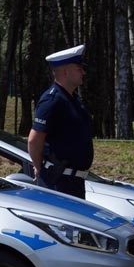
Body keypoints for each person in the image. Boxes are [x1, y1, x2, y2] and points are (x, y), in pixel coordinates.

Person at [28, 44, 92, 199]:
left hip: (74, 182)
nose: (83, 72)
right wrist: (40, 168)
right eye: (79, 68)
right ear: (66, 72)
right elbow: (34, 140)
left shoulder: (72, 99)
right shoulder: (52, 100)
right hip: (58, 182)